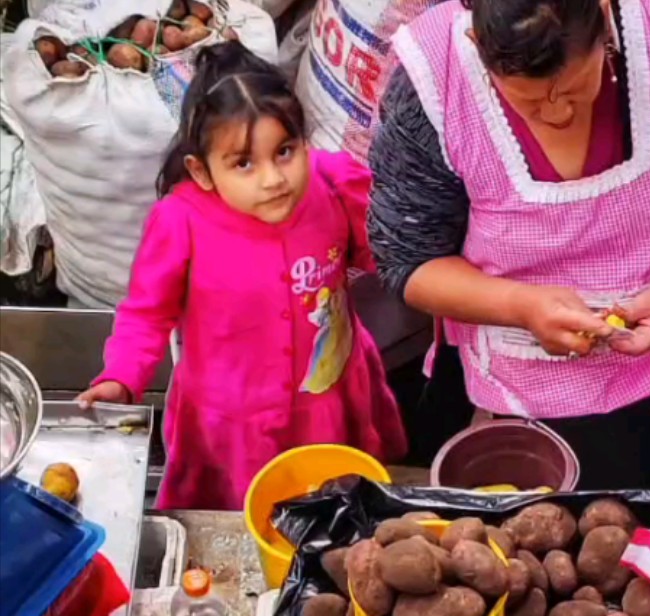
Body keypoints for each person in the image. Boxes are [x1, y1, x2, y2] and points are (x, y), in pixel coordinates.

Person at [368, 0, 650, 490]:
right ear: (477, 46)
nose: (558, 113)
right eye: (528, 102)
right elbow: (409, 258)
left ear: (606, 20)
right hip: (541, 385)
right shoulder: (431, 84)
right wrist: (520, 305)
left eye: (574, 89)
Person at [78, 42, 406, 510]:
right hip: (232, 423)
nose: (273, 179)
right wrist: (122, 377)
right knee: (243, 519)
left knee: (336, 510)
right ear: (203, 170)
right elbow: (146, 316)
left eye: (285, 151)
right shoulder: (181, 221)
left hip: (325, 404)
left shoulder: (331, 183)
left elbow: (390, 249)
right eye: (244, 163)